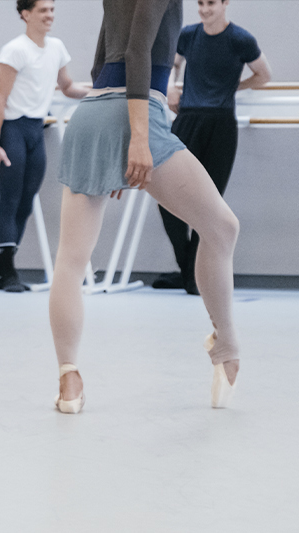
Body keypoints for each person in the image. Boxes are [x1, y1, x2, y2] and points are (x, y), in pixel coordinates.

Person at [50, 0, 242, 414]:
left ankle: (69, 380)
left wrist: (117, 154)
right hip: (138, 115)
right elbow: (138, 50)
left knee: (70, 259)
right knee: (223, 229)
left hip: (91, 117)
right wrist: (136, 138)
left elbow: (101, 60)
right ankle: (225, 347)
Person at [152, 0, 270, 295]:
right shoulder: (189, 35)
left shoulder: (240, 39)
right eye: (200, 3)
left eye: (210, 3)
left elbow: (264, 75)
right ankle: (187, 269)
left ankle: (194, 278)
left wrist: (234, 87)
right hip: (187, 119)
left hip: (220, 125)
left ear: (224, 3)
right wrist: (170, 88)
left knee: (209, 205)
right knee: (167, 200)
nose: (204, 9)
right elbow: (169, 64)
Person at [0, 0, 89, 292]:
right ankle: (7, 272)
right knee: (10, 200)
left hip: (35, 130)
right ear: (25, 14)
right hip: (13, 130)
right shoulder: (14, 50)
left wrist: (99, 91)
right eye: (43, 10)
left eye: (52, 10)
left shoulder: (56, 48)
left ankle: (2, 270)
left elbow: (67, 86)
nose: (49, 15)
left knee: (26, 202)